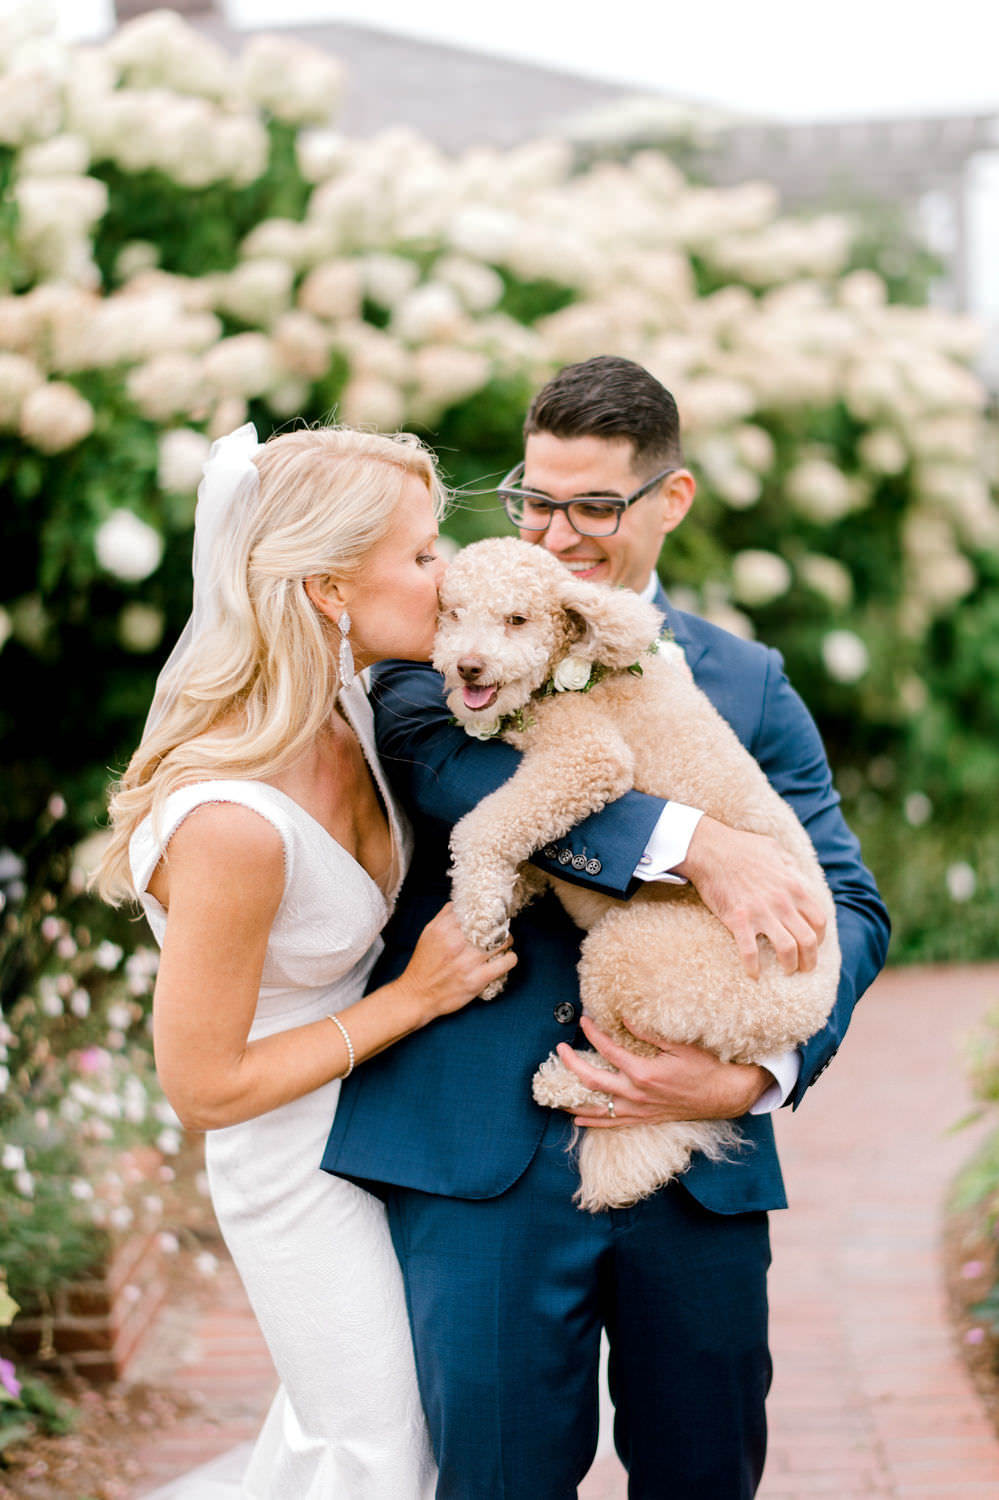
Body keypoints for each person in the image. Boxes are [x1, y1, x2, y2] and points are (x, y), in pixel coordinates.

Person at [323, 356, 891, 1499]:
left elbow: (852, 906)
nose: (558, 532)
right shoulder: (448, 626)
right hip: (480, 1162)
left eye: (594, 505)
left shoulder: (746, 680)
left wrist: (755, 1078)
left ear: (668, 501)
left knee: (706, 1478)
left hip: (699, 1167)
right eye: (536, 498)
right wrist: (695, 844)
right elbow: (452, 778)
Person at [96, 422, 516, 1500]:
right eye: (422, 554)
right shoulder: (232, 822)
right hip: (290, 1161)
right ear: (331, 589)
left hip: (387, 1126)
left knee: (384, 1422)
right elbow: (203, 1089)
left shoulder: (358, 714)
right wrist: (418, 999)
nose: (448, 574)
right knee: (376, 1443)